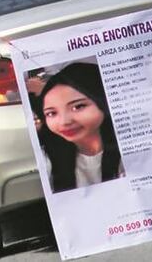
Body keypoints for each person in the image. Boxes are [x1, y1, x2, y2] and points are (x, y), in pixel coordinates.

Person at [32, 62, 124, 192]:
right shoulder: (48, 158)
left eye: (78, 106)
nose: (64, 122)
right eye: (52, 113)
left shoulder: (129, 151)